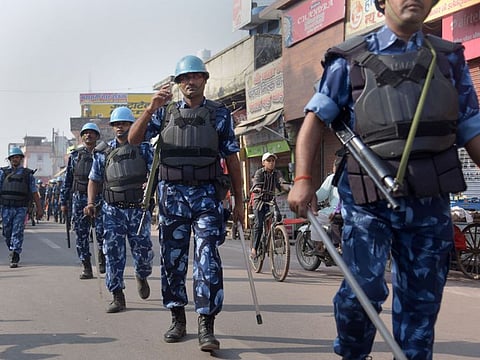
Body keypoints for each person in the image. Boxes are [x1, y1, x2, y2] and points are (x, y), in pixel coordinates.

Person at [287, 0, 480, 358]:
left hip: (430, 200)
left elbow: (471, 127)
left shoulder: (449, 59)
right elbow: (314, 121)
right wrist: (303, 178)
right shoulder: (349, 59)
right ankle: (352, 352)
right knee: (361, 293)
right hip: (367, 201)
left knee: (421, 309)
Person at [128, 55, 244, 352]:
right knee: (172, 260)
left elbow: (232, 158)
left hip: (207, 195)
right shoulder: (163, 113)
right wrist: (151, 107)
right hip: (172, 197)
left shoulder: (220, 114)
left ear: (205, 79)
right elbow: (133, 139)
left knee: (208, 258)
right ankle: (178, 318)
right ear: (178, 84)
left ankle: (206, 324)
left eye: (195, 76)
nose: (190, 82)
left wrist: (241, 203)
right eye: (184, 78)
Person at [84, 107, 154, 313]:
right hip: (112, 210)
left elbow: (155, 172)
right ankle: (117, 295)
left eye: (124, 123)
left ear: (132, 125)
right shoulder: (103, 152)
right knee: (113, 252)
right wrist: (90, 202)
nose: (120, 127)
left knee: (143, 253)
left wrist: (150, 186)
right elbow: (94, 179)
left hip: (138, 210)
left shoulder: (144, 149)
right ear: (112, 127)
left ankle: (142, 275)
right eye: (116, 124)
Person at [61, 122, 105, 279]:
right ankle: (86, 265)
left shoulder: (104, 154)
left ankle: (102, 257)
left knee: (102, 232)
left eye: (92, 133)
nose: (88, 135)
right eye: (85, 133)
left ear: (97, 136)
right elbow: (68, 180)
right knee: (81, 234)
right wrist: (63, 202)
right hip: (79, 198)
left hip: (100, 198)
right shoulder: (75, 156)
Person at [0, 147, 43, 268]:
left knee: (17, 231)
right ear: (10, 159)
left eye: (17, 157)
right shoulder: (3, 173)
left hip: (21, 208)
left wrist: (39, 208)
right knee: (7, 232)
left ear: (21, 159)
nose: (15, 159)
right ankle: (12, 248)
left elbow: (34, 192)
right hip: (6, 207)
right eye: (13, 157)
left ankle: (15, 254)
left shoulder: (27, 174)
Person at [250, 152, 291, 257]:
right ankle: (254, 248)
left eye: (273, 161)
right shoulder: (259, 173)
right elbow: (256, 184)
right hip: (260, 201)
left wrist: (288, 188)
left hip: (271, 201)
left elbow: (281, 182)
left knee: (278, 217)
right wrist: (257, 188)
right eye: (269, 161)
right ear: (263, 162)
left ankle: (275, 237)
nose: (271, 163)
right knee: (258, 224)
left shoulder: (277, 173)